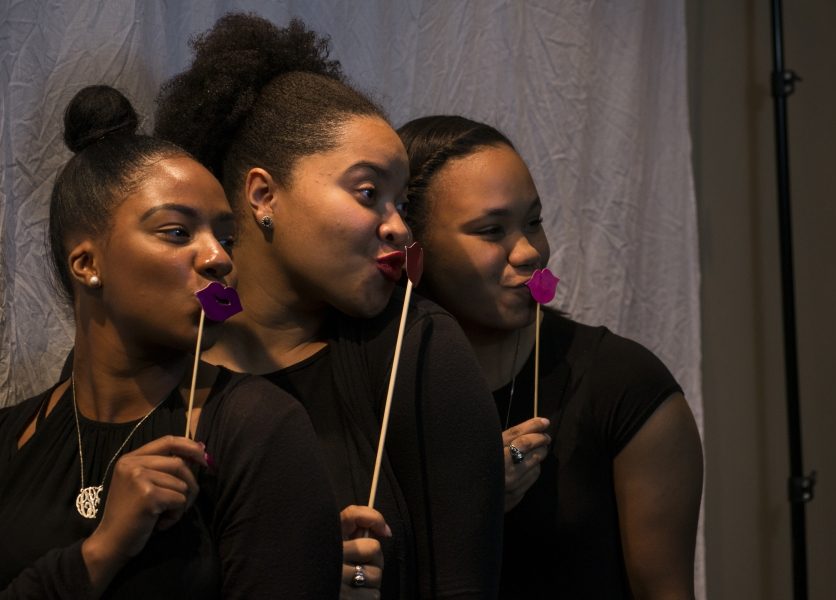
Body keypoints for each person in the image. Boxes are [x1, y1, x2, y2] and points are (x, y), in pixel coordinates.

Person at [155, 14, 504, 599]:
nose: (397, 228)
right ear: (264, 195)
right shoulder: (163, 354)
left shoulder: (417, 349)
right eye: (369, 194)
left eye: (401, 203)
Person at [0, 85, 341, 598]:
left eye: (225, 238)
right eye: (178, 232)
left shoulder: (260, 428)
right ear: (87, 264)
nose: (220, 260)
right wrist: (103, 549)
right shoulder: (10, 437)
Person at [398, 115, 704, 599]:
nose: (529, 252)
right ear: (414, 250)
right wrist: (467, 507)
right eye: (492, 230)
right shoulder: (382, 383)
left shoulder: (627, 388)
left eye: (534, 221)